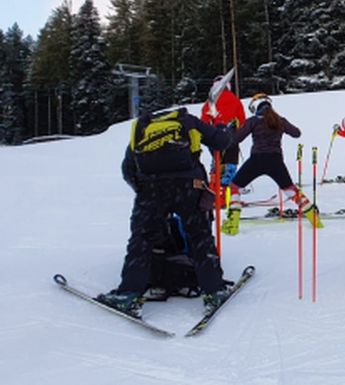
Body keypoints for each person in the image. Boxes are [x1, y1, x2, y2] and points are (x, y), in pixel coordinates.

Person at [97, 107, 234, 317]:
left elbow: (128, 169)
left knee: (141, 239)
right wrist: (221, 128)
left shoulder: (141, 127)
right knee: (199, 236)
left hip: (151, 189)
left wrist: (143, 190)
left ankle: (129, 293)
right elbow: (223, 143)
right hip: (190, 185)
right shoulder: (188, 121)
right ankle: (214, 290)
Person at [224, 94, 315, 230]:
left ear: (256, 107)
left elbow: (236, 139)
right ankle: (313, 217)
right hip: (276, 160)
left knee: (234, 187)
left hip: (257, 159)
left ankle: (233, 222)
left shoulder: (253, 121)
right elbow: (297, 133)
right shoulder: (280, 120)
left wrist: (230, 130)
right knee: (290, 189)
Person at [200, 75, 246, 187]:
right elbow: (242, 119)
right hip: (231, 134)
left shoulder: (210, 101)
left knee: (217, 158)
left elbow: (204, 121)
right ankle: (227, 186)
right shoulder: (234, 99)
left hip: (216, 134)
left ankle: (214, 185)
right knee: (231, 159)